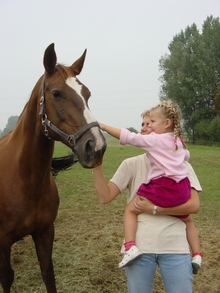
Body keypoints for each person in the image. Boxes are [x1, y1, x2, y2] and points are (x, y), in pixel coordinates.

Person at [93, 110, 202, 293]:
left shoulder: (180, 165)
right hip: (140, 249)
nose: (145, 128)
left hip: (175, 248)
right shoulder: (131, 164)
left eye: (150, 123)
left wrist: (154, 209)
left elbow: (194, 206)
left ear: (161, 128)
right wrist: (96, 165)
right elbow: (105, 197)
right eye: (142, 124)